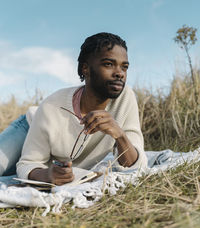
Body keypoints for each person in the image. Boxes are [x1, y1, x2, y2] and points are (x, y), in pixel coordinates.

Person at [0, 32, 147, 186]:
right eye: (108, 64)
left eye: (124, 67)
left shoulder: (125, 98)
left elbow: (136, 165)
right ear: (85, 68)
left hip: (49, 157)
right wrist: (47, 174)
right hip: (28, 129)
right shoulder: (52, 106)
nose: (119, 73)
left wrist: (120, 135)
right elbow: (28, 163)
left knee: (10, 174)